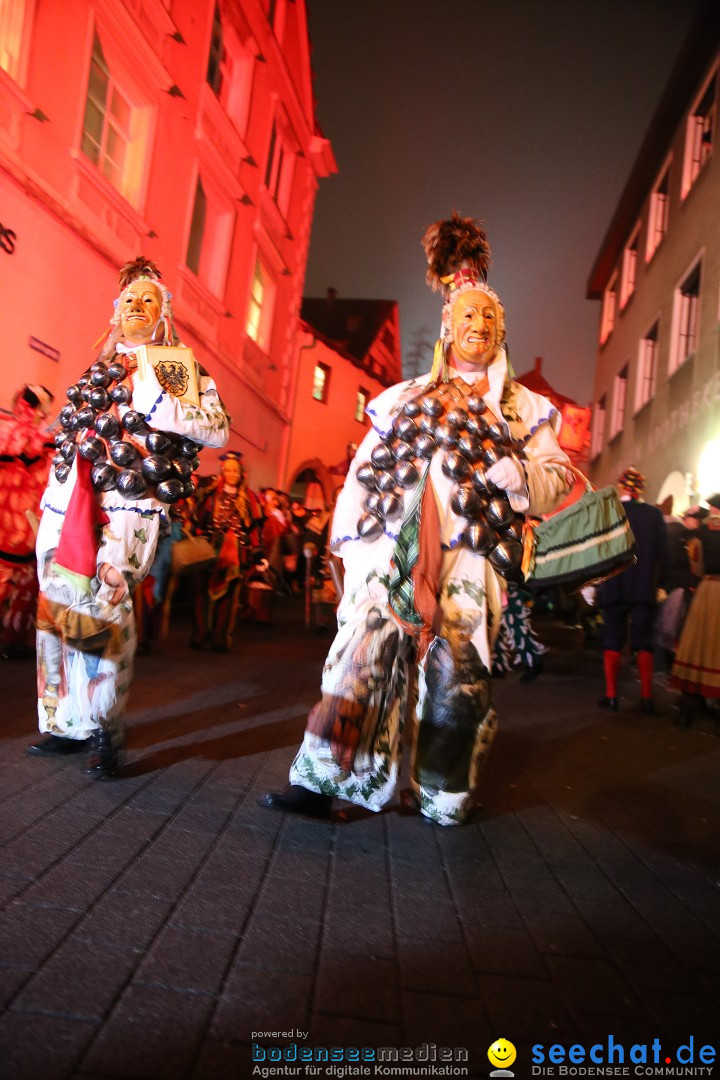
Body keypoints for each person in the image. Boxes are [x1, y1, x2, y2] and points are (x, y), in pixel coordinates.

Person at [262, 213, 573, 825]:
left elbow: (558, 475)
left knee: (456, 671)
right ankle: (329, 779)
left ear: (502, 330)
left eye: (488, 317)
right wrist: (349, 544)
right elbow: (361, 473)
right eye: (466, 316)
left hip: (468, 556)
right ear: (447, 327)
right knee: (359, 660)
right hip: (388, 550)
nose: (477, 325)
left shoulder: (525, 408)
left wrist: (526, 478)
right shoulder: (403, 397)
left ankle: (441, 791)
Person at [29, 256, 230, 775]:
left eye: (150, 300)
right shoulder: (98, 367)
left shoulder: (177, 366)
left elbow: (216, 429)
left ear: (164, 315)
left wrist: (156, 399)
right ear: (115, 310)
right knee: (58, 606)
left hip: (128, 504)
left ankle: (104, 726)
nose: (138, 307)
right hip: (65, 503)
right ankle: (65, 723)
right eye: (130, 300)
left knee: (105, 601)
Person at [596, 466, 668, 714]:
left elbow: (599, 552)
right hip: (643, 588)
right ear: (641, 487)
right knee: (644, 641)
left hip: (614, 585)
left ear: (622, 486)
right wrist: (662, 586)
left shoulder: (610, 511)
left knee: (612, 639)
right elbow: (663, 555)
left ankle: (612, 695)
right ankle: (647, 698)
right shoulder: (654, 516)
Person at [0, 384, 54, 657]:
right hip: (33, 531)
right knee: (26, 588)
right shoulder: (49, 439)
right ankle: (14, 640)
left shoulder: (4, 433)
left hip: (6, 530)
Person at [190, 451, 262, 650]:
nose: (231, 473)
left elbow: (255, 528)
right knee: (201, 592)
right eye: (228, 469)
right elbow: (198, 520)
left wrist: (257, 551)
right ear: (222, 471)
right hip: (209, 549)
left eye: (235, 470)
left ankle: (220, 637)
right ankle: (200, 633)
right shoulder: (209, 494)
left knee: (229, 597)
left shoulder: (250, 499)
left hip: (236, 553)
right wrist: (200, 536)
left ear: (241, 473)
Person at [671, 494, 720, 727]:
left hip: (707, 590)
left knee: (697, 644)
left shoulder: (699, 535)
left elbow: (697, 567)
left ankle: (689, 703)